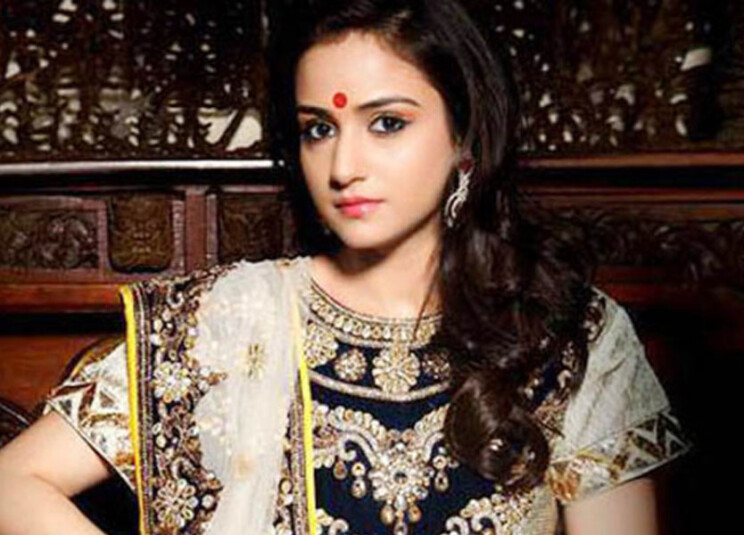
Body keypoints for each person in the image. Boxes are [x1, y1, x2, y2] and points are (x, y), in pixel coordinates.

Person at [0, 1, 691, 534]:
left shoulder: (570, 335)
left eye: (386, 123)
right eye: (319, 129)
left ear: (466, 136)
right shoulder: (225, 322)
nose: (343, 166)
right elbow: (12, 484)